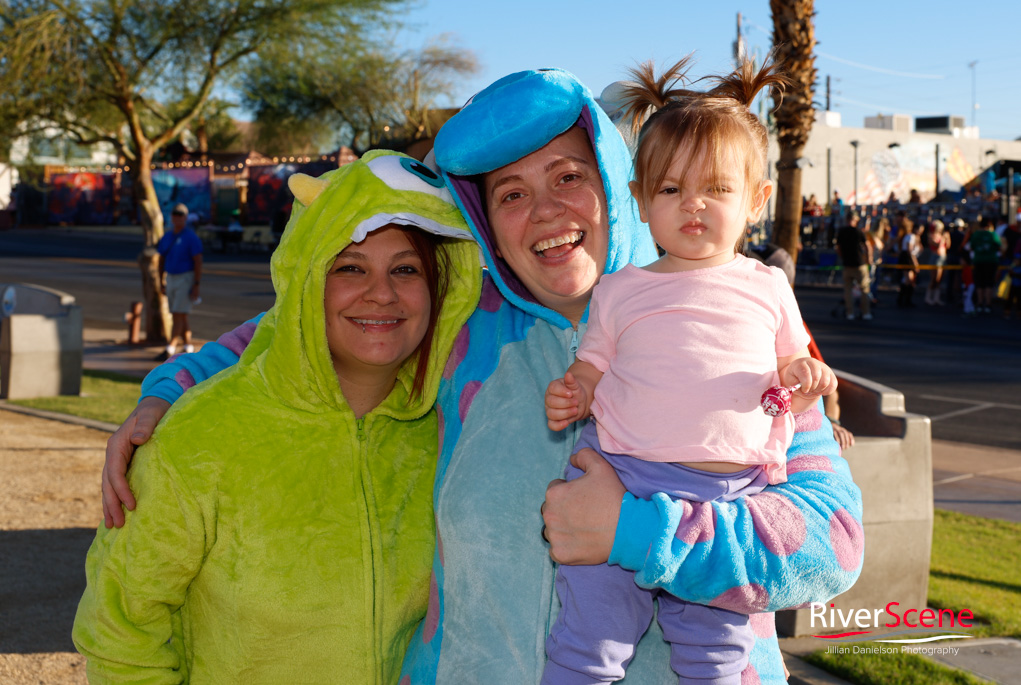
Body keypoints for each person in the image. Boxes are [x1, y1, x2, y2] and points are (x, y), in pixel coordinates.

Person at [101, 68, 864, 684]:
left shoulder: (737, 330)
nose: (543, 211)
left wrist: (635, 532)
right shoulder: (464, 329)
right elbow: (295, 323)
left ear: (612, 182)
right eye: (510, 193)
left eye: (567, 176)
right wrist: (168, 391)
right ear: (483, 220)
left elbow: (830, 543)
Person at [72, 152, 483, 683]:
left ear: (440, 289)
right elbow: (120, 632)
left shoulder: (454, 433)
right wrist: (162, 390)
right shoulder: (198, 436)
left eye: (406, 269)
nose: (382, 292)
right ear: (307, 278)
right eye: (350, 267)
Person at [540, 59, 838, 684]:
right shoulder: (621, 290)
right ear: (643, 203)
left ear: (757, 201)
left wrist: (807, 377)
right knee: (588, 643)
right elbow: (593, 360)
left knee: (717, 655)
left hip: (727, 497)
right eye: (670, 190)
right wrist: (578, 390)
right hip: (625, 474)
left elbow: (791, 363)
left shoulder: (769, 286)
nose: (692, 204)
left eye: (717, 189)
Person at [156, 202, 203, 360]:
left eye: (180, 215)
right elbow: (161, 258)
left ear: (185, 218)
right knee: (181, 314)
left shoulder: (190, 237)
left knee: (178, 313)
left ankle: (170, 347)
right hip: (171, 276)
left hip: (185, 277)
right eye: (175, 215)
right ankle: (188, 346)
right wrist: (160, 279)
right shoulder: (168, 236)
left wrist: (196, 283)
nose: (177, 218)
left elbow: (198, 260)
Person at [836, 211, 873, 320]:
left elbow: (838, 248)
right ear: (855, 219)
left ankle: (850, 313)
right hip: (859, 263)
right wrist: (869, 259)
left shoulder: (841, 232)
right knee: (864, 289)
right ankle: (866, 312)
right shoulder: (858, 232)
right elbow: (867, 246)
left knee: (848, 291)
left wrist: (843, 257)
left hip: (847, 264)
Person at [966, 216, 1003, 314]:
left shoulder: (976, 235)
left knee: (980, 284)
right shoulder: (992, 235)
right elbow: (999, 247)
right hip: (990, 261)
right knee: (989, 283)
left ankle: (980, 303)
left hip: (978, 261)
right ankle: (988, 304)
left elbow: (971, 247)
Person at [925, 219, 949, 305]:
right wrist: (943, 238)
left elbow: (948, 246)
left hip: (942, 257)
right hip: (935, 258)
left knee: (939, 280)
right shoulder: (931, 236)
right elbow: (937, 246)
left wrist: (947, 237)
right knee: (933, 279)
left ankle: (936, 298)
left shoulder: (941, 235)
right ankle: (928, 297)